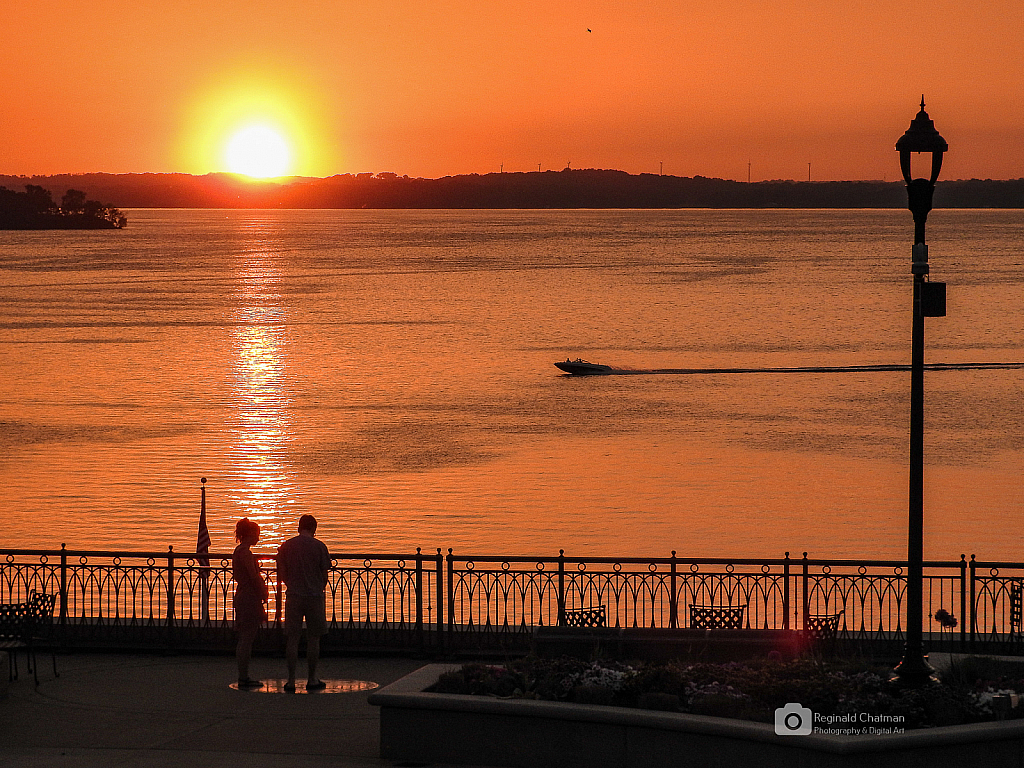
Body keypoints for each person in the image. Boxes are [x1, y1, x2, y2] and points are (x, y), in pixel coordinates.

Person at [276, 514, 332, 691]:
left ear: (299, 527)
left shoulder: (287, 546)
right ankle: (312, 678)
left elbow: (282, 573)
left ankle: (291, 680)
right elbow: (325, 575)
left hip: (294, 596)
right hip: (314, 596)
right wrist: (318, 586)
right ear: (314, 529)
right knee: (314, 639)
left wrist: (292, 584)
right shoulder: (320, 546)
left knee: (292, 639)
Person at [232, 517, 268, 689]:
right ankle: (243, 676)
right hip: (248, 597)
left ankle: (243, 675)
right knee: (247, 638)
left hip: (243, 595)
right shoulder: (245, 553)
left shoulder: (238, 551)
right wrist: (263, 590)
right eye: (257, 534)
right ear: (250, 534)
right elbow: (253, 576)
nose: (258, 538)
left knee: (245, 637)